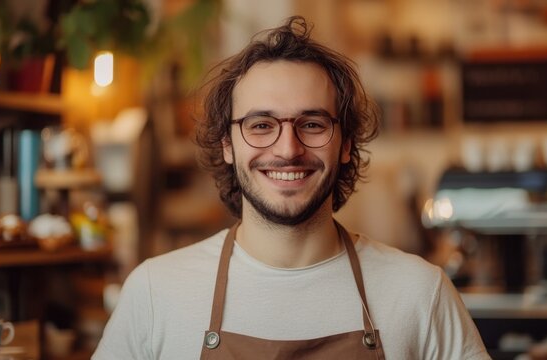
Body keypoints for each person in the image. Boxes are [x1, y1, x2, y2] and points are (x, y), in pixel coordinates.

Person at [93, 16, 490, 360]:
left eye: (313, 124)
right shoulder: (155, 293)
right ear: (227, 145)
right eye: (261, 125)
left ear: (347, 143)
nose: (288, 149)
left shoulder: (420, 294)